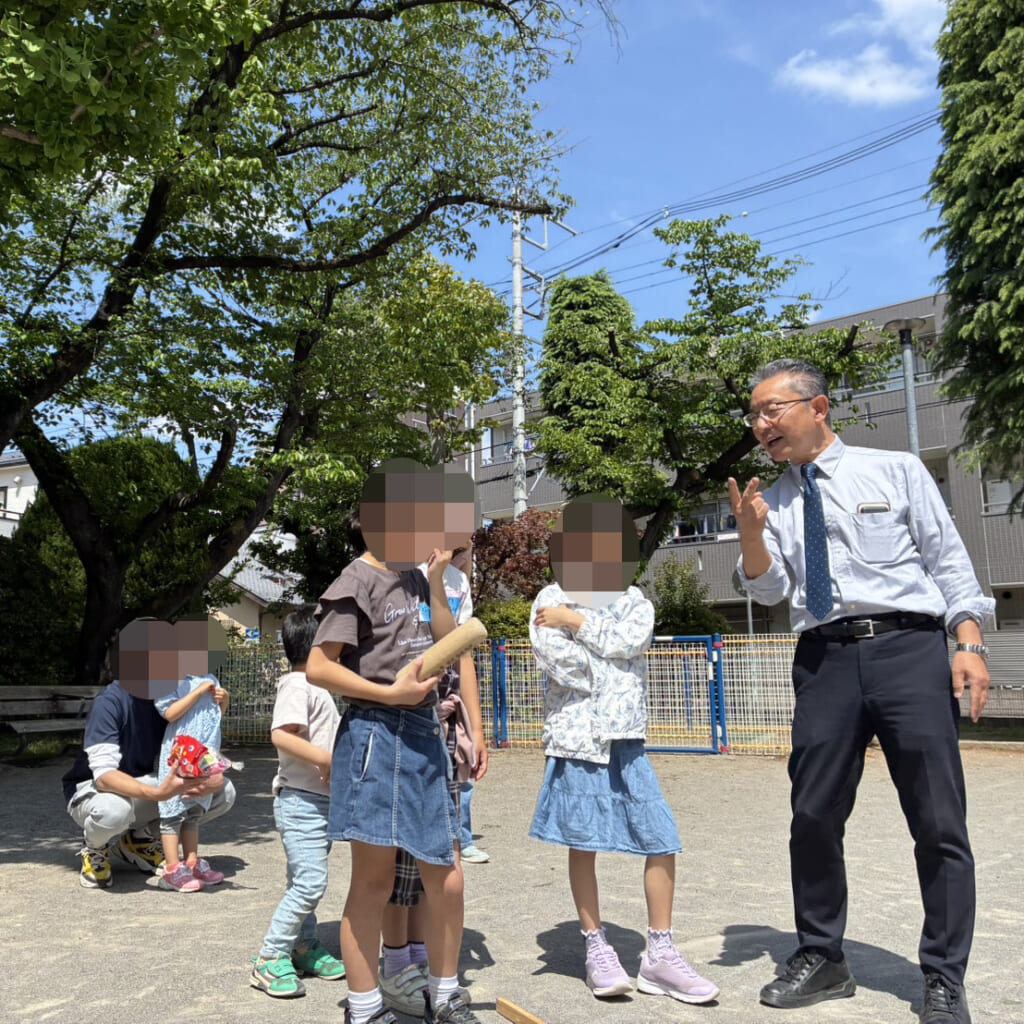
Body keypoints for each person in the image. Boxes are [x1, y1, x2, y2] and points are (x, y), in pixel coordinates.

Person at [729, 358, 993, 1024]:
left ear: (817, 408)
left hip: (909, 650)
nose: (762, 425)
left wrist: (967, 644)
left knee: (938, 821)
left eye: (772, 409)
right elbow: (766, 589)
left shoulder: (895, 469)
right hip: (824, 660)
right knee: (813, 814)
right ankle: (822, 956)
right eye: (754, 414)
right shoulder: (776, 500)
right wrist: (752, 534)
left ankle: (942, 976)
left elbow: (948, 562)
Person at [306, 460, 483, 1024]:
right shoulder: (353, 580)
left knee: (446, 870)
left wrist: (434, 582)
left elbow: (448, 642)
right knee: (375, 879)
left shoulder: (415, 574)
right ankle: (364, 1008)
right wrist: (389, 695)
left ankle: (447, 992)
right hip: (374, 737)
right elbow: (317, 667)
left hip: (425, 735)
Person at [528, 494, 719, 1005]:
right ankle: (597, 946)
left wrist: (576, 622)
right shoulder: (549, 596)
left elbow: (632, 641)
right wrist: (599, 649)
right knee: (583, 842)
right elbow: (564, 667)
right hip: (577, 739)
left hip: (628, 739)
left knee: (661, 838)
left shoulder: (635, 600)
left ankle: (660, 952)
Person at [378, 542, 490, 1018]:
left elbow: (460, 653)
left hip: (439, 729)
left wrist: (478, 728)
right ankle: (396, 960)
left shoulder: (456, 581)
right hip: (390, 726)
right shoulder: (383, 569)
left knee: (439, 857)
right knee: (391, 858)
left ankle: (424, 962)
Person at [62, 622, 236, 889]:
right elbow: (105, 777)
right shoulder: (110, 703)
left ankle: (139, 840)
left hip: (142, 783)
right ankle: (95, 847)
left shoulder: (166, 697)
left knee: (221, 790)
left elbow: (198, 736)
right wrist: (159, 794)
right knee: (114, 810)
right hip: (93, 790)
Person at [251, 605, 346, 997]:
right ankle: (269, 957)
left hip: (318, 801)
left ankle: (303, 946)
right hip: (300, 802)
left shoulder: (316, 685)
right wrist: (325, 758)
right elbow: (282, 735)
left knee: (302, 879)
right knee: (310, 882)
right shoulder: (297, 684)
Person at [153, 669, 231, 891]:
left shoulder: (209, 677)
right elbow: (169, 712)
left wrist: (223, 701)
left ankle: (192, 861)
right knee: (173, 810)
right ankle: (172, 868)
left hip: (203, 753)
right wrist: (196, 693)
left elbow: (215, 715)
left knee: (194, 808)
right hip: (180, 754)